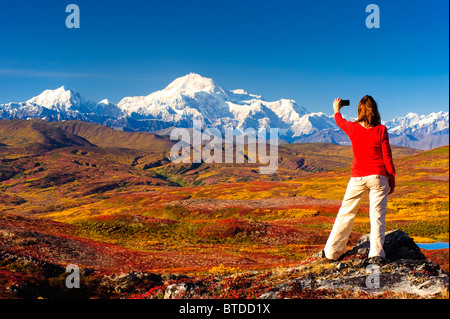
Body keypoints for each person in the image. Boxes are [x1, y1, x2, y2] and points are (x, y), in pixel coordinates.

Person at [323, 95, 395, 261]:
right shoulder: (381, 130)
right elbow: (387, 158)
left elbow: (339, 121)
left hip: (357, 177)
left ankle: (332, 252)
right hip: (378, 177)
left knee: (346, 213)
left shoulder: (353, 128)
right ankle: (376, 254)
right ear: (375, 110)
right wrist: (392, 180)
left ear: (359, 111)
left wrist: (336, 109)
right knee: (377, 216)